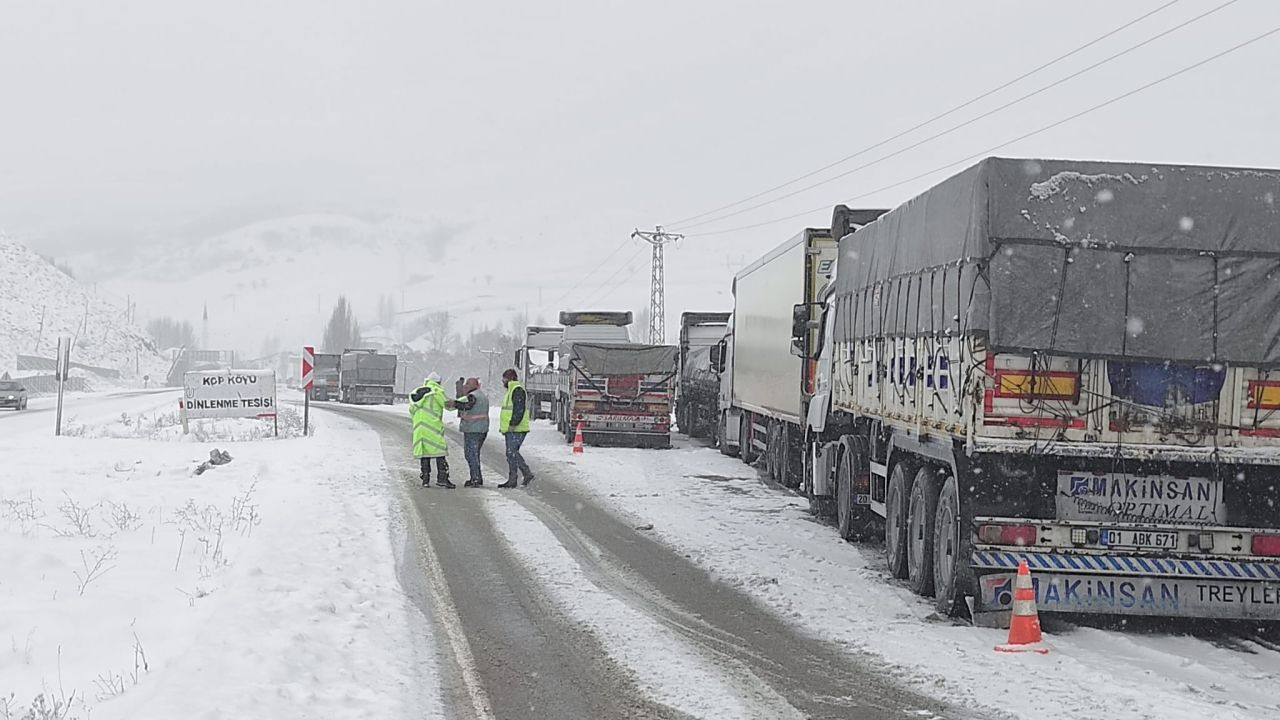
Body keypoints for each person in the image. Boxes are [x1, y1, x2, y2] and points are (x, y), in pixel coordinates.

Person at [410, 372, 453, 489]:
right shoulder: (436, 392)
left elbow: (411, 409)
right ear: (438, 382)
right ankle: (442, 478)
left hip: (420, 427)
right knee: (440, 452)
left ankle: (425, 478)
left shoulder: (416, 392)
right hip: (432, 426)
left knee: (425, 453)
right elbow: (448, 405)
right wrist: (460, 402)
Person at [498, 368, 534, 489]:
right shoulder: (512, 390)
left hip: (517, 428)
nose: (503, 381)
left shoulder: (517, 389)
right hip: (512, 428)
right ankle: (513, 479)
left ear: (510, 378)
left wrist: (513, 423)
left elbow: (519, 409)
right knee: (511, 454)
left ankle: (526, 473)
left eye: (504, 379)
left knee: (511, 452)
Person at [454, 377, 489, 487]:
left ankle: (476, 479)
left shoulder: (472, 396)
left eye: (466, 385)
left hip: (473, 429)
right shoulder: (482, 396)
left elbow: (466, 406)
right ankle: (476, 477)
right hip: (482, 429)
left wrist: (454, 404)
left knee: (470, 454)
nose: (465, 387)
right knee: (474, 454)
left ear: (471, 386)